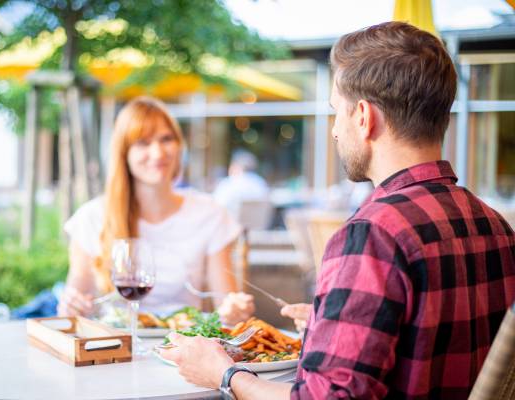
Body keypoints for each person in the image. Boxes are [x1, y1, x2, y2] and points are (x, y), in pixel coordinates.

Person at [160, 21, 515, 399]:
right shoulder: (494, 224)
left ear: (363, 117)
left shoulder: (373, 234)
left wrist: (225, 373)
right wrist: (327, 324)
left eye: (336, 112)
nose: (333, 130)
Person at [58, 96, 254, 325]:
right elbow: (72, 312)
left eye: (166, 139)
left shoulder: (209, 214)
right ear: (124, 153)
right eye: (143, 142)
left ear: (179, 146)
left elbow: (227, 307)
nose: (158, 153)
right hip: (113, 347)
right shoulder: (92, 217)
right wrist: (72, 305)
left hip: (183, 346)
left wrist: (235, 311)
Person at [213, 149, 270, 217]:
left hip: (231, 224)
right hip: (259, 226)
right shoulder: (260, 182)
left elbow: (217, 204)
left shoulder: (229, 183)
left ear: (236, 166)